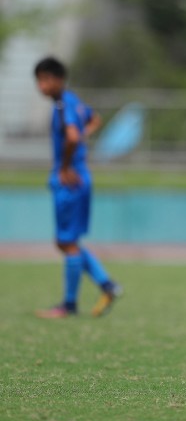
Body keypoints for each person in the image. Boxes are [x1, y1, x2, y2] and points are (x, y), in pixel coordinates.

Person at [33, 57, 121, 319]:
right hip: (81, 177)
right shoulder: (74, 101)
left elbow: (71, 136)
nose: (41, 86)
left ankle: (69, 305)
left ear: (58, 80)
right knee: (67, 241)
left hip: (70, 180)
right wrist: (82, 140)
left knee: (66, 242)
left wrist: (65, 166)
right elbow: (95, 119)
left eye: (45, 79)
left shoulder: (62, 105)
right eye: (38, 80)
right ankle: (107, 285)